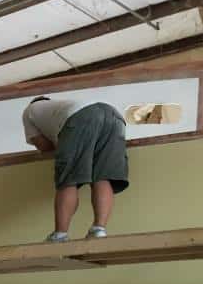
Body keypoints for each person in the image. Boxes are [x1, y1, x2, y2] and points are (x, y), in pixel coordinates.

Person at [22, 97, 129, 242]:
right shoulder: (60, 106)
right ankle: (98, 229)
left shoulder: (29, 111)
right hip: (114, 117)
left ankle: (60, 235)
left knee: (68, 180)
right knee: (103, 177)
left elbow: (44, 147)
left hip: (81, 118)